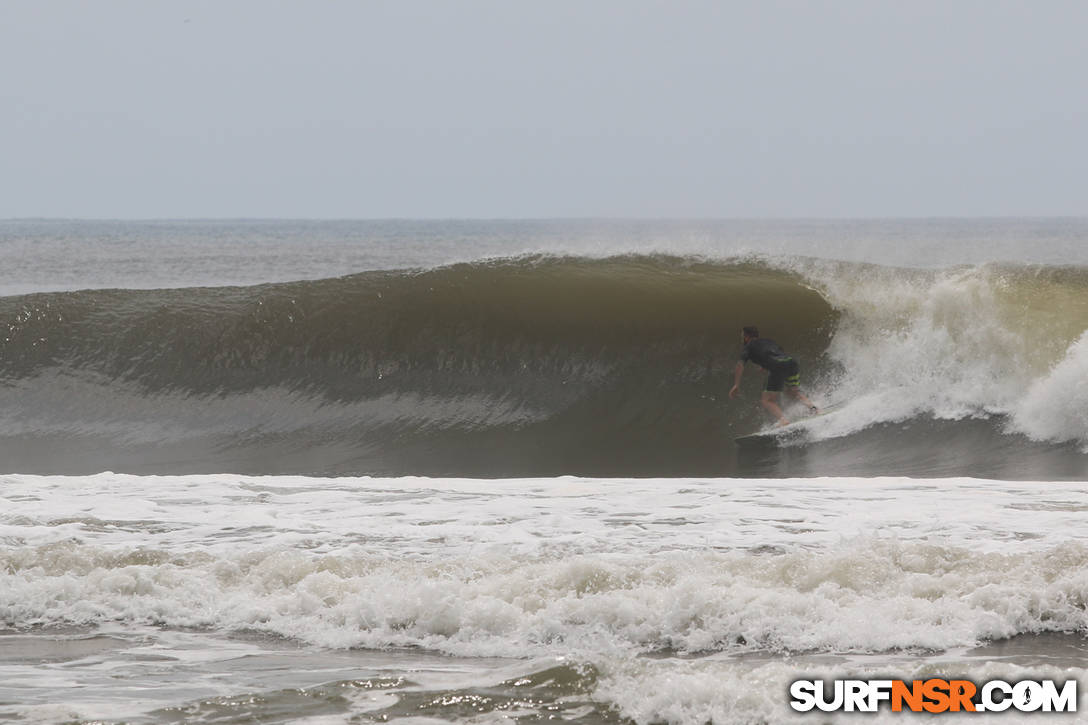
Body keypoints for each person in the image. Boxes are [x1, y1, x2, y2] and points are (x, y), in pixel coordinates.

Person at [728, 326, 817, 427]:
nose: (742, 337)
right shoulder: (768, 341)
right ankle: (814, 409)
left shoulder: (748, 346)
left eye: (742, 335)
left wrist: (736, 384)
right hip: (791, 363)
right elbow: (778, 353)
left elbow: (740, 365)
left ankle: (783, 421)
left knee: (767, 400)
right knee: (793, 392)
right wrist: (766, 365)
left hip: (777, 366)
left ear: (746, 336)